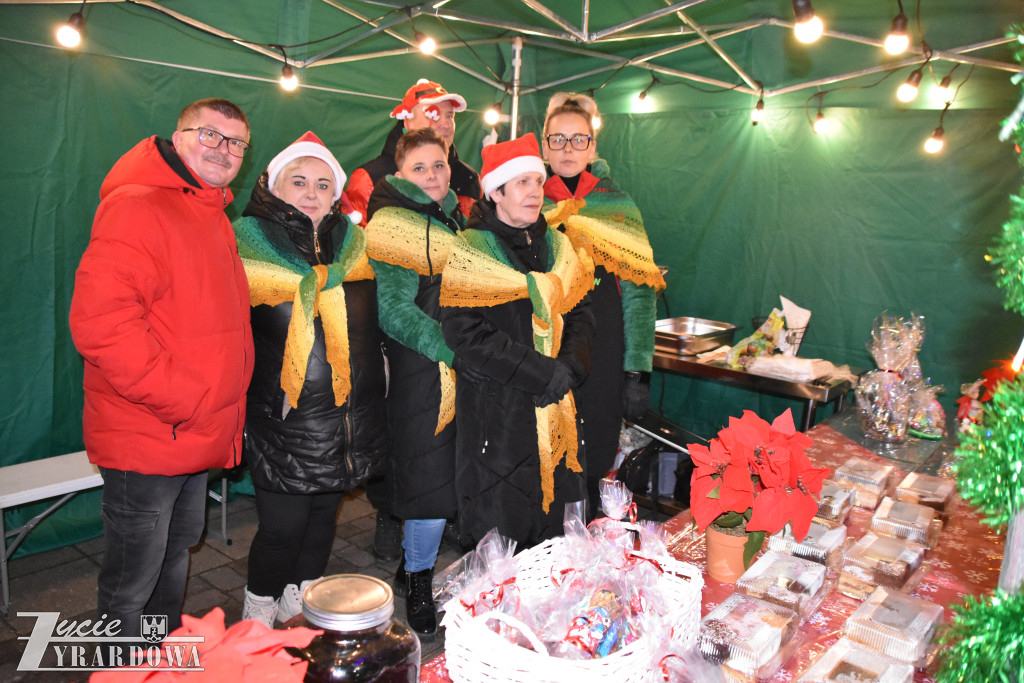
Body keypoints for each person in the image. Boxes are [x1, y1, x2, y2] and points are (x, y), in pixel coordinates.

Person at [69, 98, 255, 639]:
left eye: (236, 142)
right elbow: (102, 325)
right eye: (210, 134)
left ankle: (159, 663)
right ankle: (119, 670)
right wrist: (187, 400)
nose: (223, 149)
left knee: (174, 560)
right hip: (153, 431)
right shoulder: (139, 206)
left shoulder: (211, 212)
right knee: (132, 581)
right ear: (178, 137)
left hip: (193, 431)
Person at [232, 132, 388, 627]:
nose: (311, 192)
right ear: (271, 185)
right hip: (279, 420)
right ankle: (258, 611)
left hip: (345, 420)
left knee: (323, 520)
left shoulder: (357, 247)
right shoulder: (244, 243)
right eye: (298, 181)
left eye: (323, 184)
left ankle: (299, 603)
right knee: (282, 528)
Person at [439, 134, 596, 547]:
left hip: (558, 405)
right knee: (502, 534)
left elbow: (581, 311)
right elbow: (464, 331)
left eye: (537, 182)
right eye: (522, 183)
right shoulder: (472, 249)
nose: (534, 192)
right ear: (496, 192)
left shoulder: (557, 245)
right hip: (500, 413)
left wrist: (570, 368)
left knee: (556, 535)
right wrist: (542, 373)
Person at [348, 80, 481, 562]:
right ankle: (402, 540)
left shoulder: (462, 186)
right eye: (433, 113)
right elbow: (384, 290)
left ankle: (424, 541)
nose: (443, 122)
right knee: (414, 457)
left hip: (453, 352)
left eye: (449, 115)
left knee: (441, 460)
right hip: (409, 355)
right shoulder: (374, 182)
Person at [540, 93, 666, 518]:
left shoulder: (617, 205)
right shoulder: (527, 201)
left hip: (604, 350)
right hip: (545, 346)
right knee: (544, 454)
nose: (569, 149)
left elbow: (640, 292)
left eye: (579, 139)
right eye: (558, 139)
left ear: (593, 147)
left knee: (593, 454)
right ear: (544, 146)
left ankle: (587, 546)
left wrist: (637, 371)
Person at [364, 128, 465, 637]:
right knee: (427, 480)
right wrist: (454, 350)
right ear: (399, 173)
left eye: (439, 165)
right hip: (420, 371)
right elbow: (393, 310)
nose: (432, 175)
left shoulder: (456, 217)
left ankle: (411, 567)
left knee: (451, 474)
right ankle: (420, 581)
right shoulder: (393, 223)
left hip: (460, 368)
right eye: (420, 168)